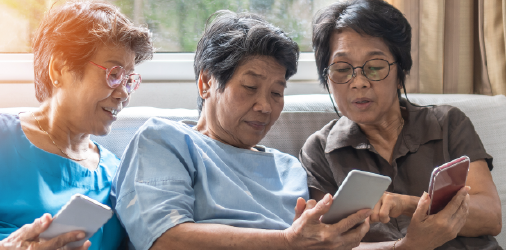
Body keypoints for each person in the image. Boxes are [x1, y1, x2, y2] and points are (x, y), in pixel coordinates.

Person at [111, 11, 371, 250]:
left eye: (276, 93)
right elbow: (165, 239)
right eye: (249, 86)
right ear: (206, 82)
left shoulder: (289, 169)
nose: (265, 106)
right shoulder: (164, 141)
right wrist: (287, 241)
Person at [0, 1, 153, 249]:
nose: (124, 93)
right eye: (114, 74)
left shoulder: (117, 175)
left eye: (130, 79)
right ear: (59, 69)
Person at [301, 0, 502, 249]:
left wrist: (407, 205)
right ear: (327, 80)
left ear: (400, 74)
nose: (359, 82)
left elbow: (491, 217)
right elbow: (327, 242)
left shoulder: (448, 123)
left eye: (374, 67)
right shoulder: (319, 150)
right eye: (342, 69)